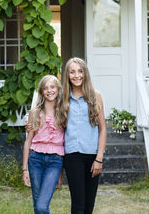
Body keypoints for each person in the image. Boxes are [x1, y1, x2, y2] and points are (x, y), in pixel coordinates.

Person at [62, 57, 107, 214]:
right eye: (72, 72)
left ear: (85, 73)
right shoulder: (62, 98)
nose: (77, 75)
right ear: (67, 75)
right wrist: (31, 121)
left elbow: (102, 129)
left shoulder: (96, 96)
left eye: (80, 71)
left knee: (89, 206)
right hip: (72, 156)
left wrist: (99, 158)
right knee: (78, 204)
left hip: (92, 156)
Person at [22, 74, 66, 214]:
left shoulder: (64, 112)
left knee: (42, 206)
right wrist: (24, 169)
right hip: (35, 159)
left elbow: (65, 143)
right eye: (45, 88)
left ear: (58, 90)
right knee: (37, 205)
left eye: (52, 87)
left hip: (55, 161)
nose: (49, 90)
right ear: (41, 92)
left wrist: (61, 174)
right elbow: (28, 141)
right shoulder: (34, 113)